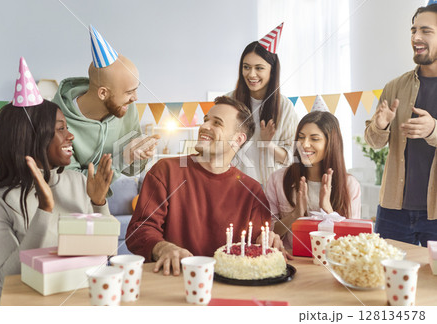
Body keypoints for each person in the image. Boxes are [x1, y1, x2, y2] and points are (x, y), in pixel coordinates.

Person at [0, 58, 113, 305]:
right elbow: (9, 276)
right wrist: (44, 211)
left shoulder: (78, 182)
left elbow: (104, 255)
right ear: (31, 137)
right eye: (60, 129)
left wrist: (99, 203)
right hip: (17, 308)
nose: (70, 135)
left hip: (69, 302)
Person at [126, 96, 288, 276]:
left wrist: (269, 241)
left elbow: (257, 248)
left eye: (217, 123)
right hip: (172, 280)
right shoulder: (165, 171)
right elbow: (138, 231)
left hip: (230, 288)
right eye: (205, 120)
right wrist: (162, 248)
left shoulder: (253, 192)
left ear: (238, 139)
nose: (204, 126)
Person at [364, 4, 437, 246]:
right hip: (393, 211)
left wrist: (433, 130)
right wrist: (381, 125)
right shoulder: (395, 87)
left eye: (426, 31)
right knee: (384, 280)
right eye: (413, 30)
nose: (416, 37)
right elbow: (373, 142)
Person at [52, 25, 159, 186]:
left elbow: (130, 170)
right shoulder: (56, 120)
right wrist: (123, 159)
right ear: (103, 93)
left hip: (101, 202)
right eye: (129, 92)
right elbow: (71, 183)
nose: (135, 98)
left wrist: (140, 154)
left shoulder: (126, 109)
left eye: (136, 90)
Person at [266, 111, 361, 249]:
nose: (304, 144)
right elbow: (269, 233)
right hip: (291, 260)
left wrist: (328, 211)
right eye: (301, 137)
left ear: (331, 143)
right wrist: (295, 214)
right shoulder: (278, 179)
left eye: (314, 139)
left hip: (332, 262)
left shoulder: (350, 185)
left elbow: (353, 240)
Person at [227, 23, 298, 188]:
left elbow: (291, 157)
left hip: (271, 191)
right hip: (233, 187)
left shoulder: (284, 107)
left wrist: (268, 144)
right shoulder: (229, 101)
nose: (251, 74)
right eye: (246, 67)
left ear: (272, 71)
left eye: (259, 68)